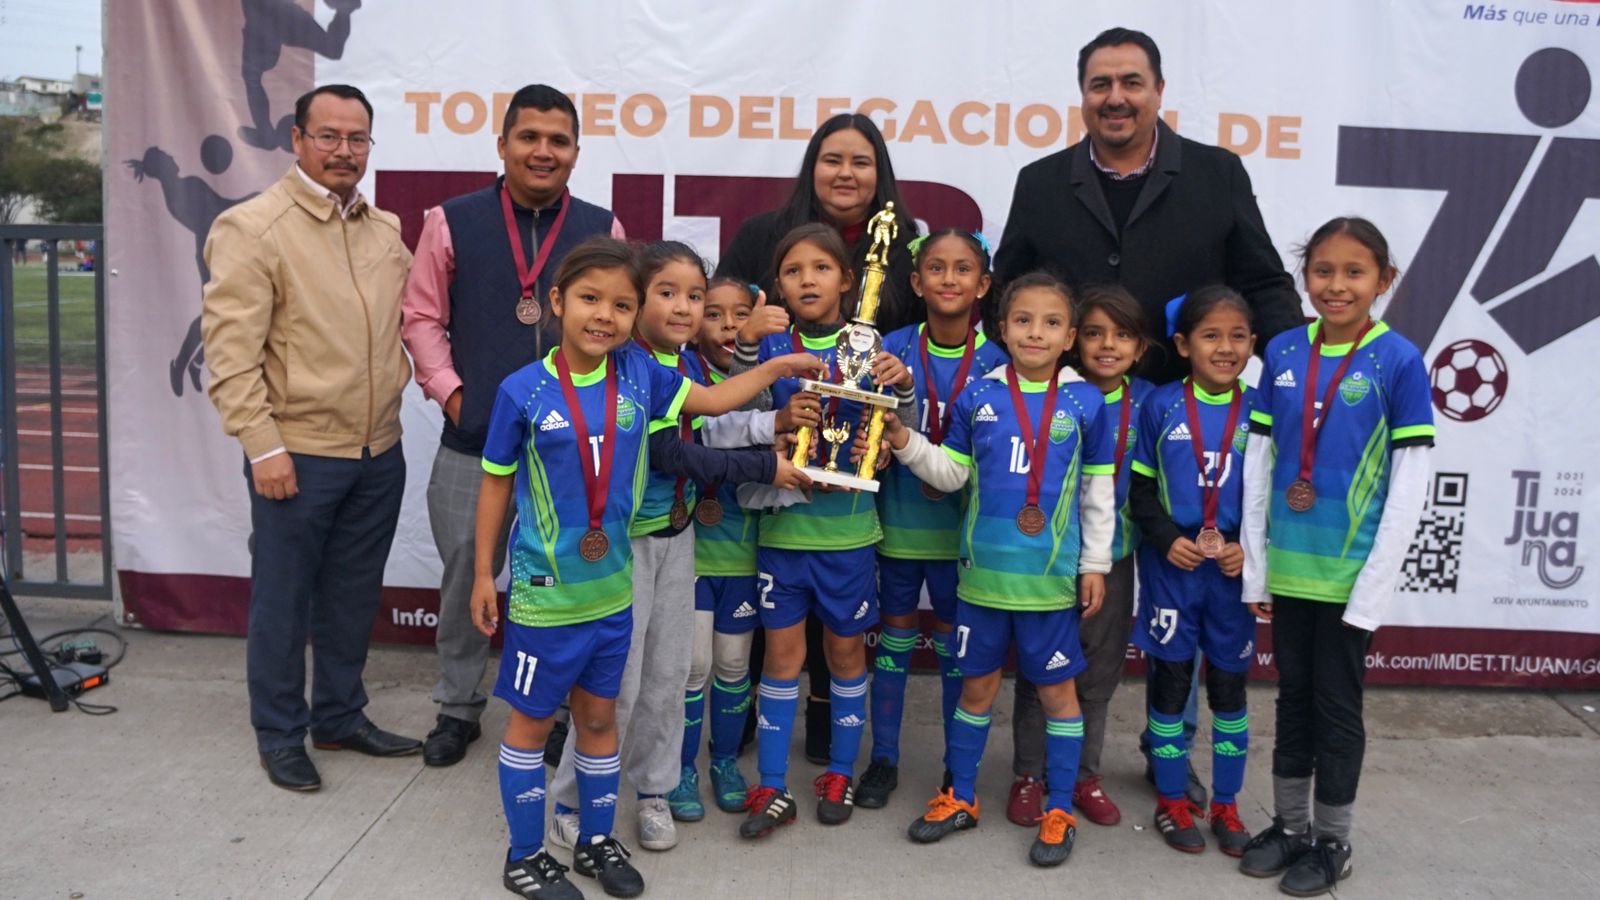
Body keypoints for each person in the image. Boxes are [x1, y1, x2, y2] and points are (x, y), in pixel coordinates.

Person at [471, 237, 824, 899]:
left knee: (628, 701)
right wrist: (480, 575)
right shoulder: (527, 390)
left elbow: (717, 406)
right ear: (557, 302)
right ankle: (538, 842)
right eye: (591, 300)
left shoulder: (646, 374)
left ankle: (608, 830)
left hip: (630, 576)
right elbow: (496, 483)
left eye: (621, 304)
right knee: (552, 715)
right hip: (555, 588)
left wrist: (783, 370)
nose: (605, 314)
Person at [544, 242, 806, 853]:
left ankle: (654, 789)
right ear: (635, 306)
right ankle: (572, 799)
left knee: (667, 676)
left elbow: (712, 419)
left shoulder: (682, 365)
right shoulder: (627, 364)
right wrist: (766, 464)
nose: (685, 307)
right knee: (617, 683)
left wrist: (775, 418)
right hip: (623, 546)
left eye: (695, 295)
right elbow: (672, 452)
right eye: (667, 293)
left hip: (677, 535)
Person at [201, 84, 419, 791]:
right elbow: (230, 357)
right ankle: (280, 732)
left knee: (353, 595)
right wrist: (262, 445)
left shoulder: (384, 230)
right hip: (296, 453)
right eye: (328, 136)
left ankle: (339, 715)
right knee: (283, 597)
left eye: (357, 139)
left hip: (377, 451)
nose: (343, 151)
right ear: (296, 140)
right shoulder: (253, 229)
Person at [401, 84, 625, 770]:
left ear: (576, 153)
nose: (543, 151)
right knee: (469, 570)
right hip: (475, 443)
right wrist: (454, 396)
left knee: (564, 583)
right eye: (529, 137)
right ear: (502, 145)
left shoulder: (601, 228)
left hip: (571, 452)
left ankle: (556, 711)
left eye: (558, 141)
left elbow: (622, 327)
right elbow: (420, 317)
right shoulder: (453, 221)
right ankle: (458, 706)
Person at [885, 273, 1116, 868]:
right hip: (983, 581)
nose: (1035, 332)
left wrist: (1094, 564)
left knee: (1059, 694)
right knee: (978, 688)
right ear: (1002, 327)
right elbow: (952, 473)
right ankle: (959, 796)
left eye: (1051, 322)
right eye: (1022, 320)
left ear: (1069, 337)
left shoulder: (1087, 402)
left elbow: (1098, 493)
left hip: (1049, 583)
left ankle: (1058, 807)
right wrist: (906, 440)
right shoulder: (979, 396)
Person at [716, 114, 924, 761]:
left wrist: (895, 408)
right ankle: (756, 728)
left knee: (841, 633)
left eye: (861, 161)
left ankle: (830, 731)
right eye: (831, 159)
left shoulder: (901, 238)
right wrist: (751, 338)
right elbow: (730, 355)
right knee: (777, 628)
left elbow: (902, 364)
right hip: (782, 494)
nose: (845, 173)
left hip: (855, 485)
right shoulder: (761, 236)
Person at [1237, 218, 1434, 897]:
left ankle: (1333, 840)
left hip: (1350, 576)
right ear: (1304, 277)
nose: (1337, 285)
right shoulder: (1284, 352)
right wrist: (1257, 567)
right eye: (1323, 270)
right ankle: (1290, 827)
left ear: (1385, 280)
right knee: (1293, 699)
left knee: (1336, 707)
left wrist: (1374, 586)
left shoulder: (1400, 360)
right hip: (1291, 570)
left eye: (1354, 272)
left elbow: (1410, 483)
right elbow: (1260, 465)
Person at [731, 224, 914, 839]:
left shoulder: (872, 349)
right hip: (783, 535)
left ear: (847, 280)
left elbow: (894, 432)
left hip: (849, 538)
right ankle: (775, 785)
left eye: (821, 268)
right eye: (793, 270)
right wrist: (772, 405)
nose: (807, 279)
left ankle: (838, 771)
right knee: (781, 657)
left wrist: (902, 395)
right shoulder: (769, 346)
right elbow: (737, 419)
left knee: (842, 653)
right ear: (777, 284)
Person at [992, 27, 1302, 384]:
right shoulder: (1040, 182)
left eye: (1132, 83)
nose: (1115, 98)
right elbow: (1008, 292)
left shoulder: (1219, 173)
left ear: (1159, 91)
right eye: (1100, 85)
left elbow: (1263, 285)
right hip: (1066, 410)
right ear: (1083, 95)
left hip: (1183, 407)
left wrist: (1294, 368)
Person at [857, 229, 1008, 810]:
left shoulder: (1000, 359)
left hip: (961, 536)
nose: (949, 279)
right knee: (894, 641)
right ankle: (885, 759)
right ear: (916, 283)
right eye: (936, 269)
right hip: (898, 525)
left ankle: (954, 765)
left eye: (963, 269)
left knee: (954, 649)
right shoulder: (888, 348)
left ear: (983, 285)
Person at [1008, 285, 1156, 828]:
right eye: (1094, 332)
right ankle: (1028, 774)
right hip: (1043, 560)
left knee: (1095, 675)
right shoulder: (1053, 394)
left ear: (1141, 347)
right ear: (1074, 341)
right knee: (1038, 673)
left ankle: (1082, 777)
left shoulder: (1150, 404)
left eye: (1121, 335)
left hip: (1111, 561)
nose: (1107, 345)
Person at [1127, 287, 1262, 857]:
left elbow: (1269, 499)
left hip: (1230, 577)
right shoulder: (1158, 405)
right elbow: (1138, 489)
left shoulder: (1262, 410)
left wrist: (1247, 551)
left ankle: (1228, 806)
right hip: (1173, 573)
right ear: (1184, 344)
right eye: (1210, 335)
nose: (1224, 347)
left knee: (1230, 692)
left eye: (1236, 337)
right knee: (1172, 685)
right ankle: (1174, 800)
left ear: (1252, 345)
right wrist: (1168, 538)